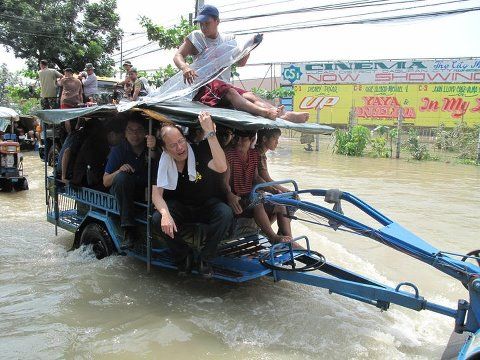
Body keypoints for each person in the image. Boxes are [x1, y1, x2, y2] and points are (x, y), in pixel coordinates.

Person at [173, 4, 309, 123]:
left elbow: (240, 63)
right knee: (231, 92)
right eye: (201, 24)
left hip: (223, 86)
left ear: (217, 21)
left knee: (251, 96)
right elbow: (178, 56)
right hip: (204, 86)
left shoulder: (228, 40)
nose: (203, 27)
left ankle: (284, 114)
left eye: (206, 23)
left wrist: (249, 48)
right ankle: (265, 112)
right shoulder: (196, 37)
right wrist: (185, 67)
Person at [152, 111, 233, 277]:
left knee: (225, 213)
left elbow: (222, 166)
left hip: (205, 205)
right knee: (157, 218)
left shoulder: (200, 150)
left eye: (181, 141)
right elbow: (156, 195)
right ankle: (184, 255)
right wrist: (165, 214)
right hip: (180, 207)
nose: (180, 148)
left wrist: (210, 133)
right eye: (173, 145)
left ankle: (206, 257)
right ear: (164, 149)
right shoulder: (162, 162)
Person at [224, 130, 292, 244]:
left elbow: (256, 177)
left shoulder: (253, 154)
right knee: (257, 202)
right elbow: (224, 182)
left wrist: (273, 190)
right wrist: (229, 195)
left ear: (251, 140)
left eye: (243, 139)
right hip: (237, 198)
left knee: (280, 205)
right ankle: (272, 236)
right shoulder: (229, 154)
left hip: (249, 195)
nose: (239, 142)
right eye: (238, 138)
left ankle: (289, 239)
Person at [103, 114, 157, 249]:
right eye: (130, 130)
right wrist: (119, 171)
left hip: (147, 193)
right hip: (124, 194)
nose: (134, 134)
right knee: (122, 177)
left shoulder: (151, 148)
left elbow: (160, 168)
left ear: (145, 133)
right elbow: (106, 181)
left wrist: (154, 149)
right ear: (125, 133)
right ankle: (128, 230)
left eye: (139, 130)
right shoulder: (119, 150)